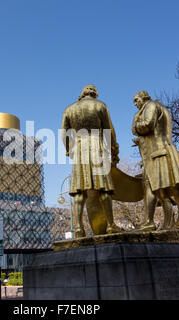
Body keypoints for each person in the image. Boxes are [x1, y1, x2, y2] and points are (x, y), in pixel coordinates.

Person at [61, 84, 121, 237]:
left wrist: (70, 149)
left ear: (82, 94)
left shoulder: (69, 109)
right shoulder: (100, 105)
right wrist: (113, 149)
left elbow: (64, 134)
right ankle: (111, 225)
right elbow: (108, 130)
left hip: (80, 150)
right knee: (104, 189)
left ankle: (79, 228)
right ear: (94, 93)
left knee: (79, 191)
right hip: (97, 148)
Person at [132, 90, 179, 230]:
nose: (135, 104)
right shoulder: (153, 107)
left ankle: (158, 221)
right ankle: (170, 222)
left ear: (144, 98)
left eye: (136, 100)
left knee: (173, 186)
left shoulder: (151, 106)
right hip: (157, 152)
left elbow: (148, 124)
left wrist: (135, 125)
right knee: (162, 191)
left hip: (159, 152)